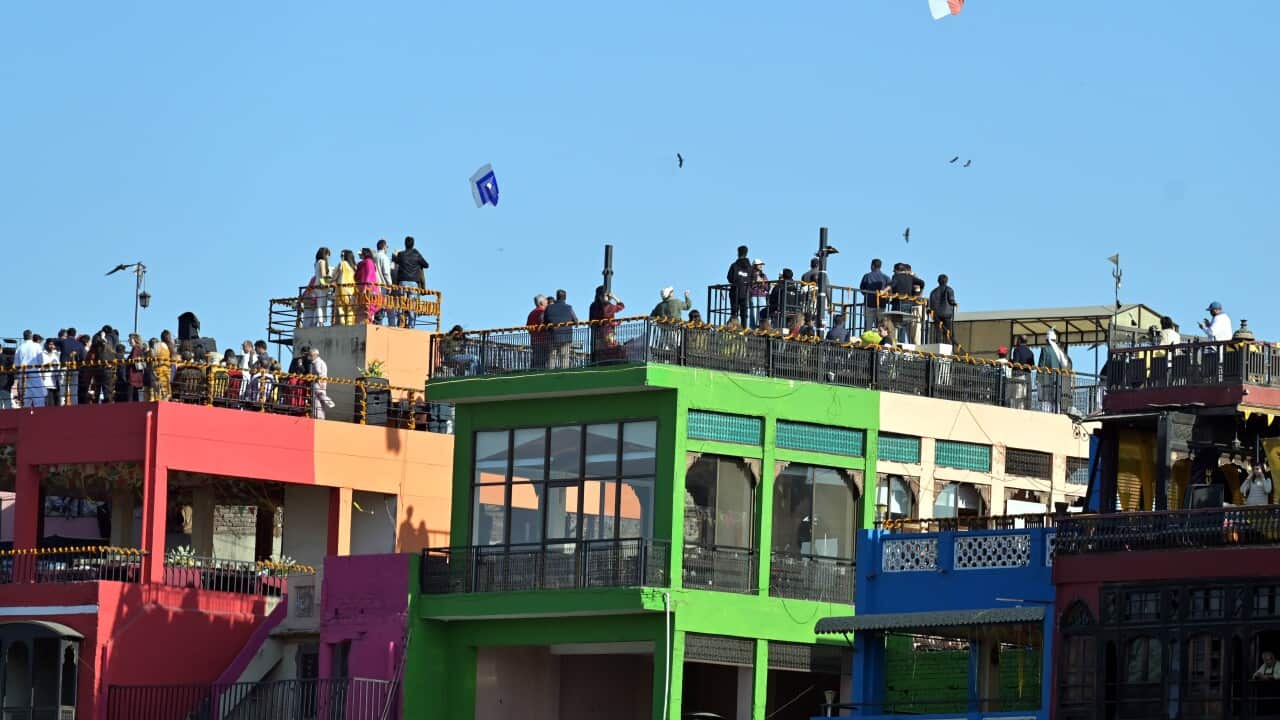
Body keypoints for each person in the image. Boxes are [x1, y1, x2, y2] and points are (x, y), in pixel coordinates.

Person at [393, 236, 429, 327]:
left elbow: (396, 260)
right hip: (413, 283)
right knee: (412, 305)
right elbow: (426, 265)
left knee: (401, 304)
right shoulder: (416, 254)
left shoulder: (401, 254)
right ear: (413, 244)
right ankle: (411, 325)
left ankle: (400, 323)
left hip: (402, 282)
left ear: (405, 244)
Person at [589, 286, 626, 364]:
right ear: (603, 296)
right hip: (608, 331)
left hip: (597, 332)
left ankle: (598, 363)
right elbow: (621, 306)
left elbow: (590, 320)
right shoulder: (608, 306)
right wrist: (614, 297)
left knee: (600, 350)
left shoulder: (593, 306)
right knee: (610, 348)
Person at [543, 290, 579, 369]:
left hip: (553, 336)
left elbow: (544, 321)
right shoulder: (569, 308)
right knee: (564, 357)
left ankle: (550, 374)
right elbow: (576, 320)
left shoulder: (549, 307)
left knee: (552, 357)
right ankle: (564, 375)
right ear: (565, 297)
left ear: (557, 296)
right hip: (566, 336)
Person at [859, 259, 890, 333]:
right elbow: (889, 292)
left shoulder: (867, 276)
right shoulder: (886, 278)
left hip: (869, 304)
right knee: (881, 327)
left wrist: (867, 296)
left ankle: (867, 341)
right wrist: (886, 301)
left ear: (872, 266)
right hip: (881, 305)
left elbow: (862, 289)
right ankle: (880, 341)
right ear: (880, 266)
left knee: (868, 327)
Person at [726, 245, 753, 327]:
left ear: (738, 253)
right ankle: (744, 329)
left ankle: (734, 329)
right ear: (746, 253)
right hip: (745, 292)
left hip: (735, 291)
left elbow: (729, 278)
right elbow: (752, 278)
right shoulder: (750, 267)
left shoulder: (734, 265)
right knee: (744, 313)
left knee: (734, 313)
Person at [13, 330, 42, 407]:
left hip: (23, 376)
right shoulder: (37, 346)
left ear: (23, 337)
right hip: (35, 374)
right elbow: (40, 362)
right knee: (39, 399)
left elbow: (16, 364)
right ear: (31, 336)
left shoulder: (19, 348)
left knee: (25, 401)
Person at [928, 274, 958, 345]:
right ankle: (948, 346)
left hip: (936, 314)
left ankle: (939, 345)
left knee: (939, 331)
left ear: (938, 281)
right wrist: (955, 304)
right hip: (947, 315)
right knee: (948, 332)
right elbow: (951, 300)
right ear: (947, 281)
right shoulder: (949, 290)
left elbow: (930, 304)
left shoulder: (933, 291)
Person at [60, 326, 86, 405]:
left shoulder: (63, 341)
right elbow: (82, 358)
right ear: (75, 334)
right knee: (74, 390)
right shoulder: (79, 344)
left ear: (67, 334)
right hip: (75, 367)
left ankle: (62, 405)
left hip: (64, 366)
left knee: (63, 388)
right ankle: (74, 406)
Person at [355, 247, 381, 324]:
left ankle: (368, 322)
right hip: (371, 289)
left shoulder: (366, 263)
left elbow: (367, 276)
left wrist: (364, 287)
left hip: (367, 289)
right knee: (369, 308)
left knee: (367, 308)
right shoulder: (371, 263)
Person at [332, 249, 358, 326]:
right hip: (352, 291)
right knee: (351, 310)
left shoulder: (342, 264)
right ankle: (350, 324)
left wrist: (330, 281)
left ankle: (343, 325)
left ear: (344, 256)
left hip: (342, 290)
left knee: (341, 309)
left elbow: (334, 275)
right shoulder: (354, 267)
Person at [309, 348, 335, 420]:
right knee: (319, 401)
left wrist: (315, 378)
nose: (310, 357)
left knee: (317, 399)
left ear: (315, 355)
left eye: (311, 355)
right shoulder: (321, 362)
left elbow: (318, 372)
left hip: (318, 383)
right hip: (322, 383)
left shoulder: (317, 362)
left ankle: (318, 415)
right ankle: (320, 416)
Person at [374, 239, 395, 325]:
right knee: (381, 307)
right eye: (386, 247)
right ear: (384, 247)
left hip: (374, 285)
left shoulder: (374, 257)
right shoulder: (384, 257)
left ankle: (376, 323)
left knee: (375, 306)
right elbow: (386, 273)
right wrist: (390, 285)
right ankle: (379, 324)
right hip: (382, 285)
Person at [527, 295, 550, 370]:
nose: (547, 301)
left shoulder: (531, 313)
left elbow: (528, 327)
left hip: (534, 341)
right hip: (544, 341)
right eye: (545, 300)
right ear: (541, 302)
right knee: (543, 361)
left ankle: (533, 372)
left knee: (536, 359)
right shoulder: (543, 312)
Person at [313, 247, 333, 327]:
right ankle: (321, 322)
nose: (328, 257)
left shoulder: (316, 262)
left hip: (316, 284)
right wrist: (329, 280)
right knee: (322, 304)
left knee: (318, 304)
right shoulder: (322, 262)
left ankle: (315, 321)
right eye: (328, 255)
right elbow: (323, 274)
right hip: (321, 285)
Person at [149, 337, 171, 401]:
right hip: (166, 370)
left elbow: (153, 357)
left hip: (158, 370)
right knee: (166, 391)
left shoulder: (155, 347)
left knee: (157, 392)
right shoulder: (165, 347)